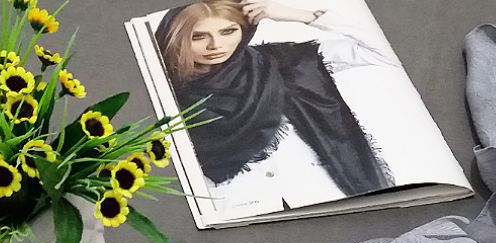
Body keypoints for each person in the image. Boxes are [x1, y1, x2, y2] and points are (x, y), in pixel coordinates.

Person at [153, 1, 397, 208]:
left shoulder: (289, 62)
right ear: (176, 38)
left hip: (329, 197)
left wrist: (302, 15)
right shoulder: (163, 90)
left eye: (228, 31)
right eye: (198, 36)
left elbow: (384, 51)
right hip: (239, 214)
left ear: (244, 30)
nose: (215, 45)